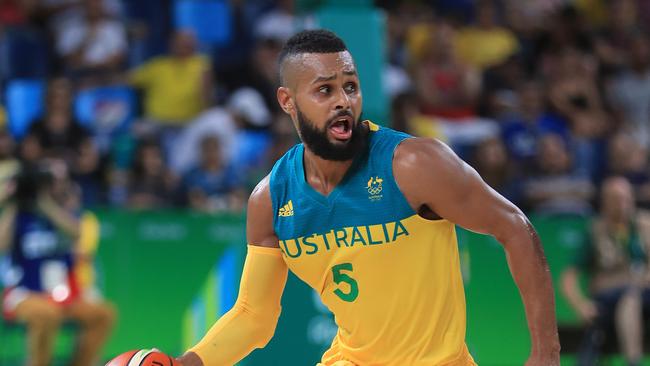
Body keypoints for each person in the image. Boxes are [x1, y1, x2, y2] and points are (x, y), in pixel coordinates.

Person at [147, 29, 560, 365]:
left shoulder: (415, 164)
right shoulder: (271, 198)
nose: (344, 101)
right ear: (288, 102)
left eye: (351, 86)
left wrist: (546, 353)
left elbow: (515, 228)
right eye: (324, 91)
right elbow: (254, 316)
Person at [0, 160, 115, 366]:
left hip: (63, 296)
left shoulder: (59, 214)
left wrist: (44, 203)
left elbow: (76, 232)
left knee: (103, 314)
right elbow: (1, 245)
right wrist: (14, 203)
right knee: (46, 314)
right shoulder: (19, 217)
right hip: (25, 293)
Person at [561, 177, 650, 366]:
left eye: (627, 198)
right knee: (622, 303)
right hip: (608, 298)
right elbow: (568, 278)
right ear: (605, 202)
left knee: (631, 297)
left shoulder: (645, 225)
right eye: (617, 199)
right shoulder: (595, 230)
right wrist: (581, 305)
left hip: (645, 295)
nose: (623, 204)